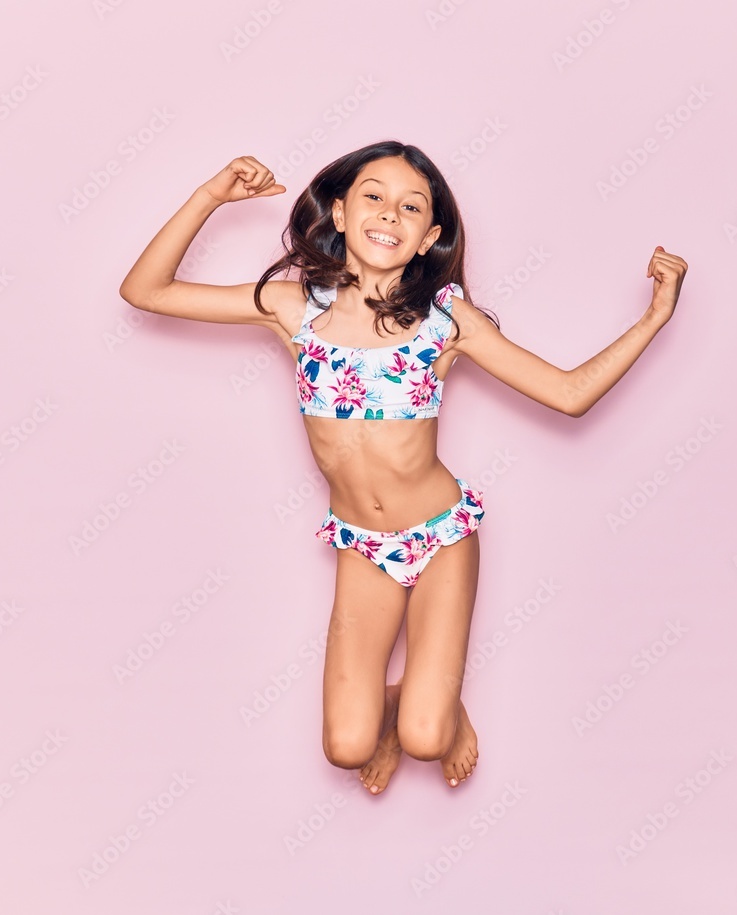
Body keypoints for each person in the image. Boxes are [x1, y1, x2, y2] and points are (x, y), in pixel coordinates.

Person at [119, 140, 687, 795]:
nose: (390, 213)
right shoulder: (292, 308)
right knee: (346, 747)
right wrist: (211, 196)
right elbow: (145, 290)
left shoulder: (445, 321)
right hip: (362, 544)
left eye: (411, 207)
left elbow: (569, 393)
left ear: (429, 238)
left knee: (427, 739)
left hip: (440, 535)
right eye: (374, 197)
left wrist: (655, 316)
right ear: (339, 214)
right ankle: (399, 698)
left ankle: (436, 711)